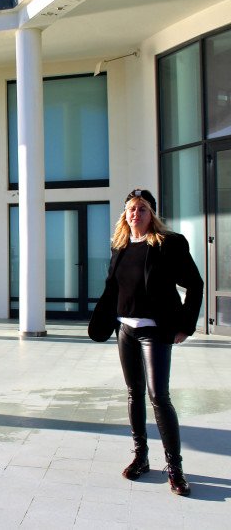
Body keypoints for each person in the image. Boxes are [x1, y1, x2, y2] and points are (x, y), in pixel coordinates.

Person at [89, 189, 203, 496]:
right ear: (125, 215)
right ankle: (141, 457)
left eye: (142, 209)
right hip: (125, 330)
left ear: (151, 214)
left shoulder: (169, 244)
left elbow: (194, 283)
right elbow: (113, 289)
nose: (135, 213)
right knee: (133, 393)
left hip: (155, 331)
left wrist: (185, 327)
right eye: (131, 209)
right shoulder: (120, 246)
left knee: (159, 397)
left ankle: (175, 468)